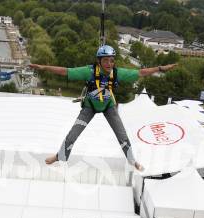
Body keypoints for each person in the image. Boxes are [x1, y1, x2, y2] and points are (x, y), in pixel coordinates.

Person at [30, 45, 177, 171]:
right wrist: (43, 67)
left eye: (111, 60)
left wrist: (160, 68)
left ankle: (132, 161)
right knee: (73, 134)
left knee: (122, 136)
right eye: (105, 60)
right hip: (90, 107)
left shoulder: (117, 73)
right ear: (99, 61)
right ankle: (59, 156)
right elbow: (65, 71)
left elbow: (140, 73)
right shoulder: (89, 71)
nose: (109, 63)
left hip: (108, 107)